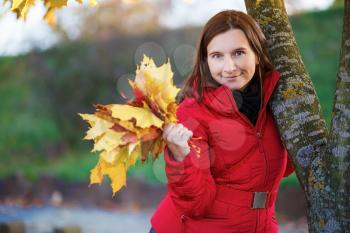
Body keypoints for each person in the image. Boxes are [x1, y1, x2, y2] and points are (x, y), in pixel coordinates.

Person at [150, 10, 294, 233]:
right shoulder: (193, 111)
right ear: (206, 61)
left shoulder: (277, 101)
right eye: (217, 56)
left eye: (238, 53)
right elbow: (196, 204)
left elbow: (281, 168)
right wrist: (181, 157)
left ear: (257, 53)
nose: (229, 67)